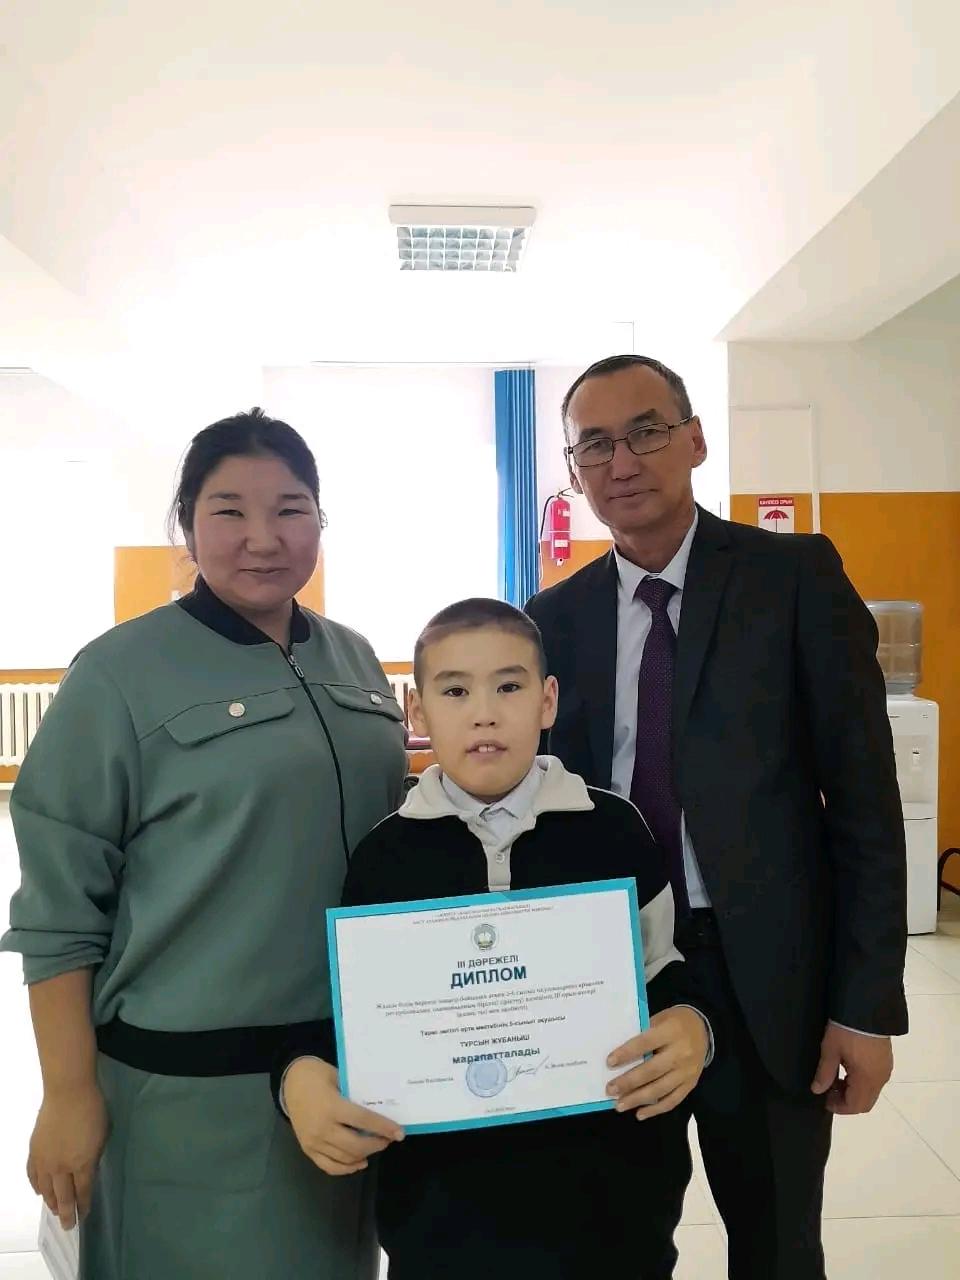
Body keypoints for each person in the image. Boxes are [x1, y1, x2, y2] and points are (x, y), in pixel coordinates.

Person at [524, 355, 908, 1279]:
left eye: (647, 431)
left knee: (776, 1245)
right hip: (613, 970)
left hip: (767, 979)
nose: (623, 462)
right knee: (613, 1242)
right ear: (574, 471)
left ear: (695, 440)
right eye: (595, 445)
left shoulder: (794, 577)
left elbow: (864, 802)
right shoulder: (554, 619)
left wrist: (865, 1006)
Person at [0, 409, 408, 1279]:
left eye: (291, 509)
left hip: (343, 1084)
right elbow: (58, 915)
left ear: (321, 520)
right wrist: (68, 1093)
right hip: (187, 1101)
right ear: (186, 525)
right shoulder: (118, 674)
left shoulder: (357, 661)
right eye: (229, 511)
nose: (263, 537)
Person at [273, 598, 714, 1280]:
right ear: (419, 714)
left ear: (547, 701)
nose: (484, 713)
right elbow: (352, 1014)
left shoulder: (615, 831)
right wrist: (298, 1078)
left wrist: (694, 1027)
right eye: (455, 692)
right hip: (442, 1222)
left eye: (509, 686)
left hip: (613, 1218)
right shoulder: (385, 857)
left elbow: (666, 969)